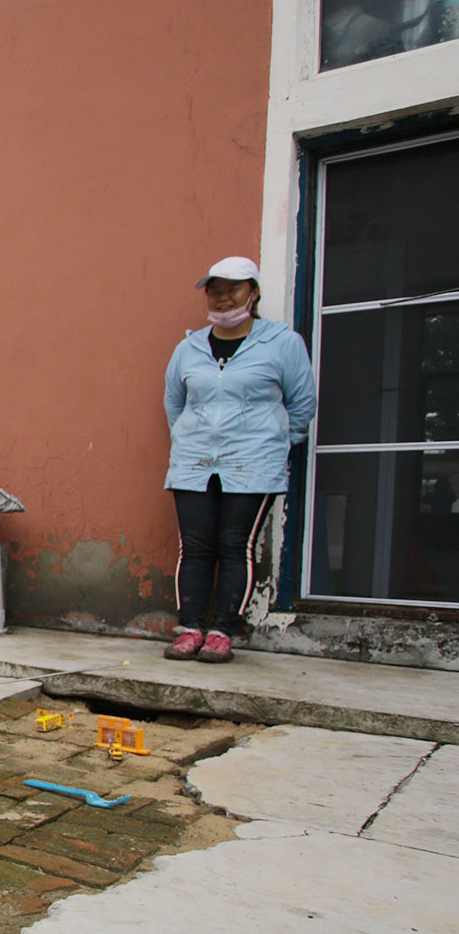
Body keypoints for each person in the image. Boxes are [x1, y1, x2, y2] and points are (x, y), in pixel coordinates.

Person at [162, 256, 317, 663]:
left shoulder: (282, 343)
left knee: (235, 546)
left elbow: (302, 403)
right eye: (215, 289)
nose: (224, 296)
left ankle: (222, 632)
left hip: (253, 463)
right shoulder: (189, 346)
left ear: (254, 292)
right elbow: (174, 404)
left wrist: (276, 443)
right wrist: (187, 439)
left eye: (233, 288)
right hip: (194, 463)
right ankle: (189, 628)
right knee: (194, 548)